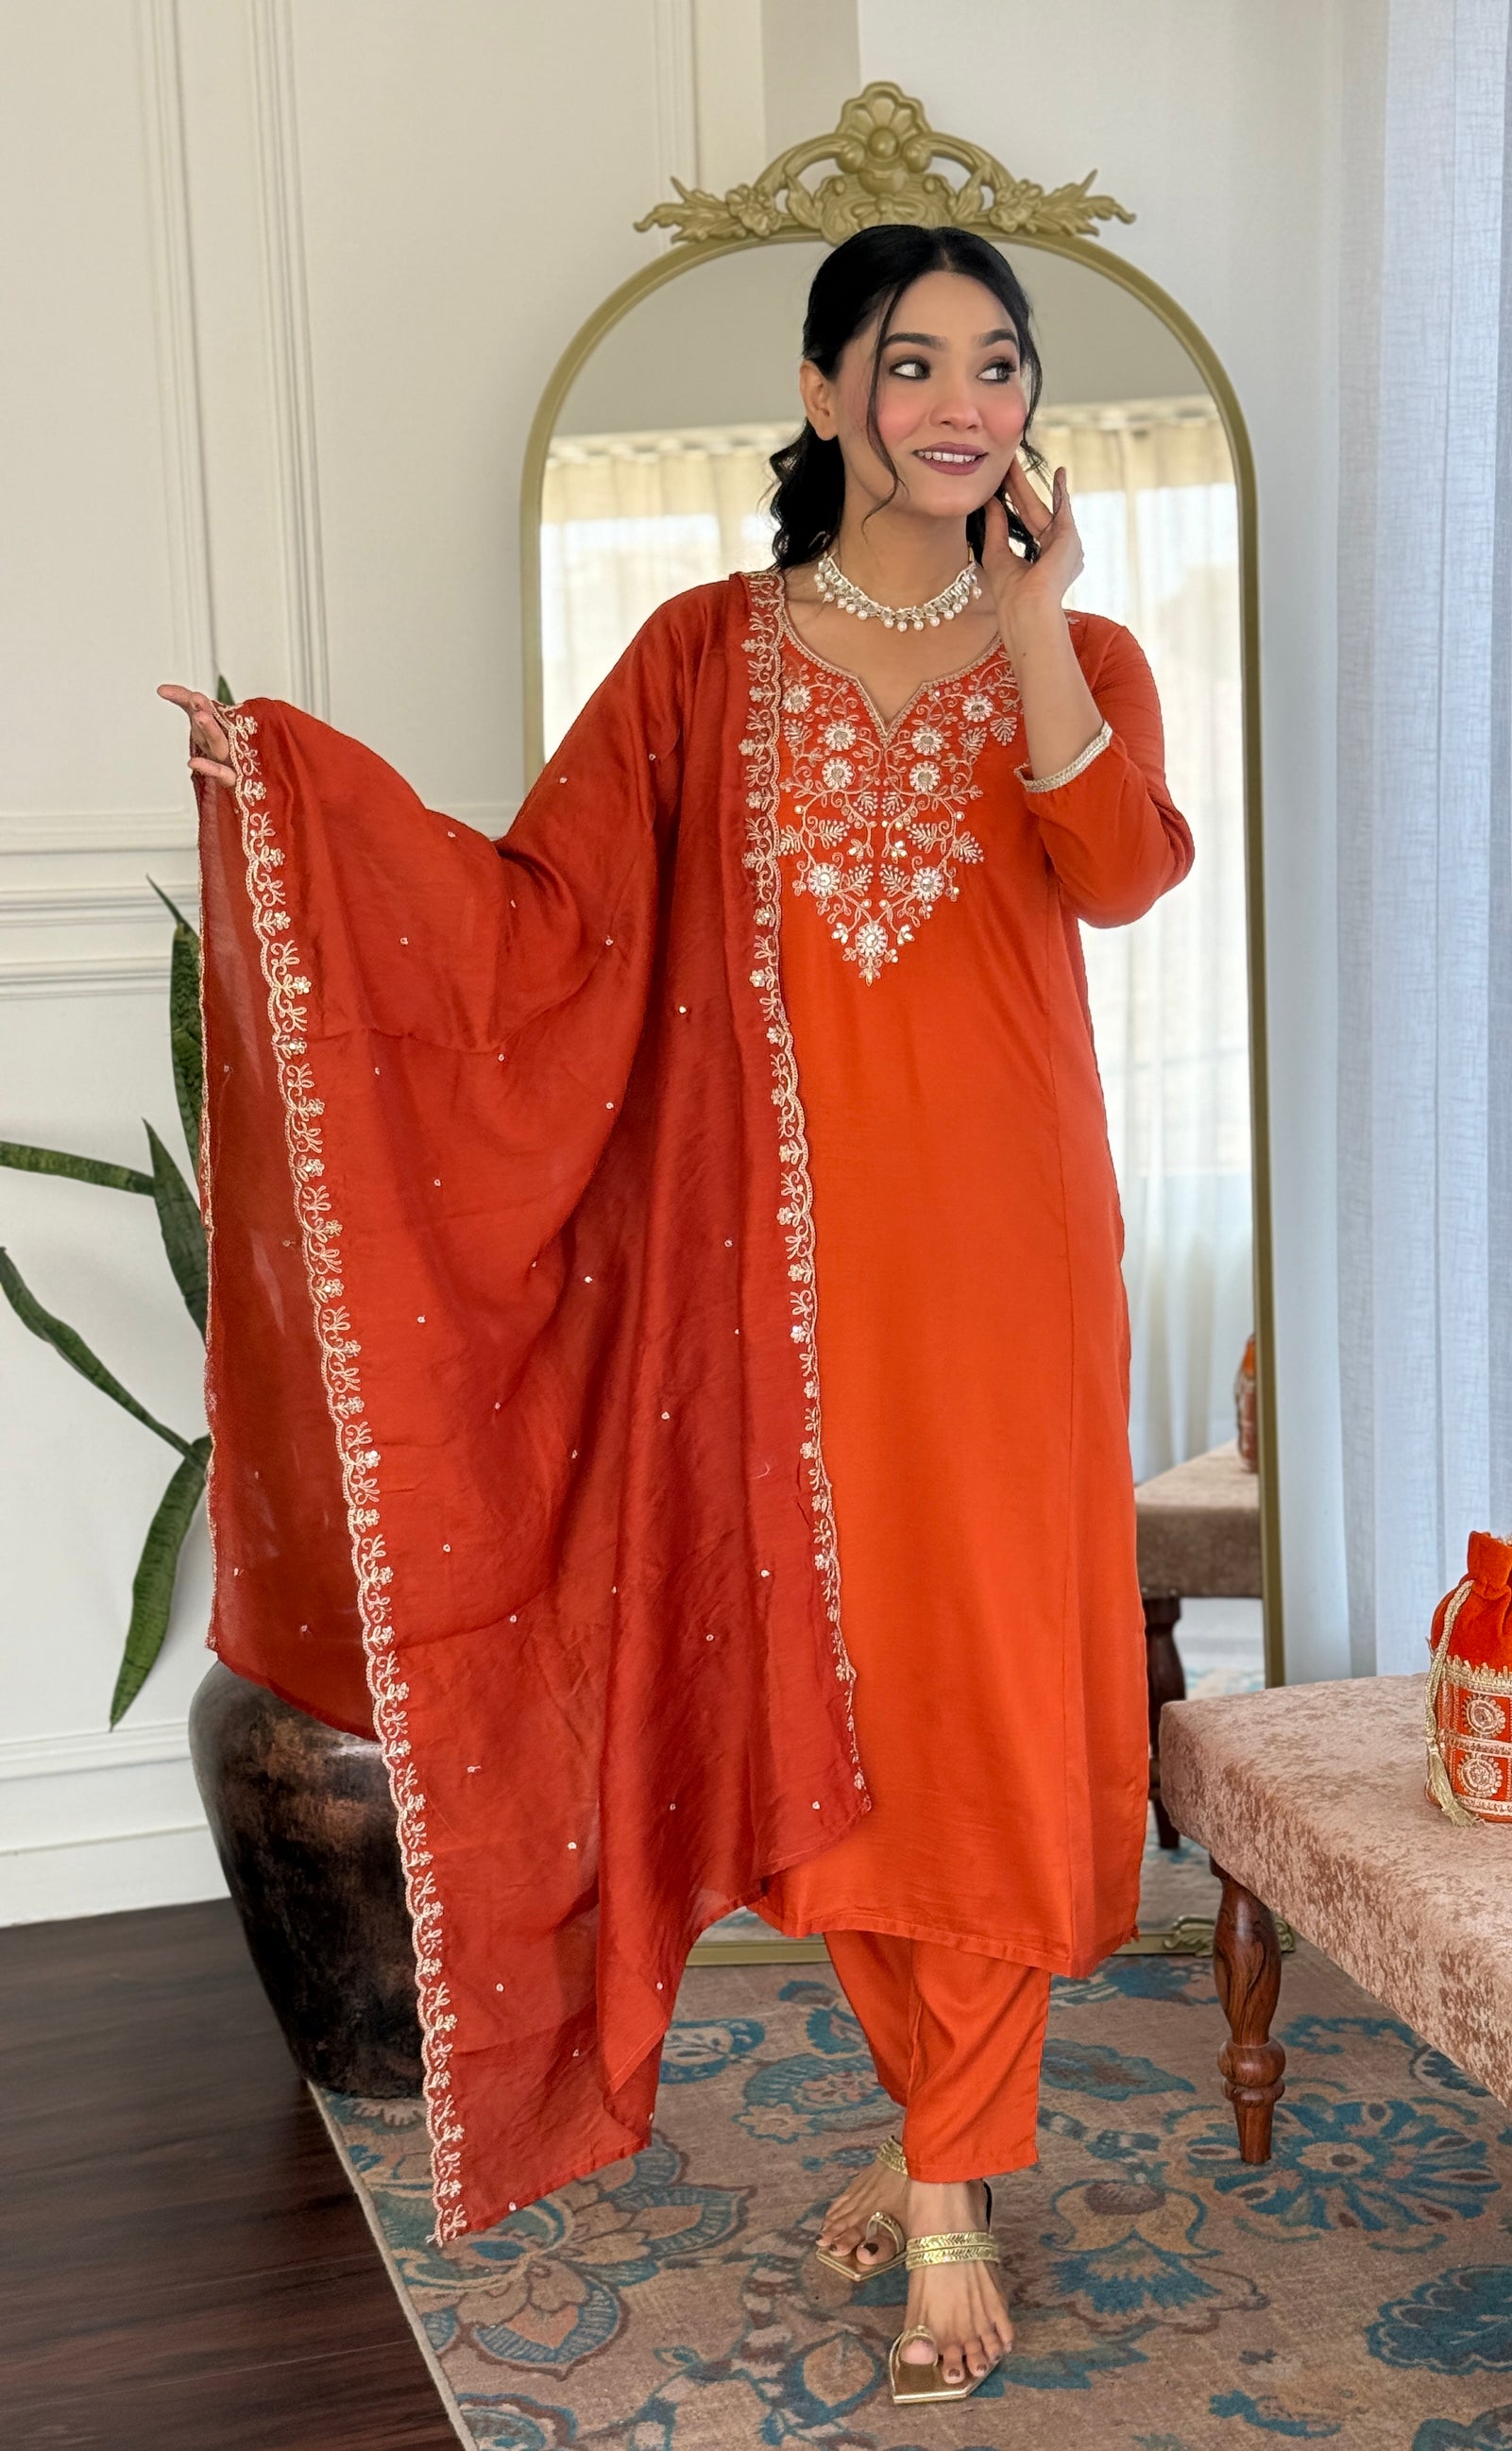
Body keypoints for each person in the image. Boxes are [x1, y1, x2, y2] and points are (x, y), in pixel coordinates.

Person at [162, 222, 1191, 2409]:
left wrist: (1029, 620)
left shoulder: (1083, 645)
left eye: (997, 365)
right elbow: (535, 919)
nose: (960, 403)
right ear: (824, 392)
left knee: (990, 1695)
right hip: (779, 1287)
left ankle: (944, 2172)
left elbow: (1117, 867)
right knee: (840, 1704)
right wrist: (305, 800)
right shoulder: (700, 659)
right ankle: (940, 2125)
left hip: (1008, 1272)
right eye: (911, 362)